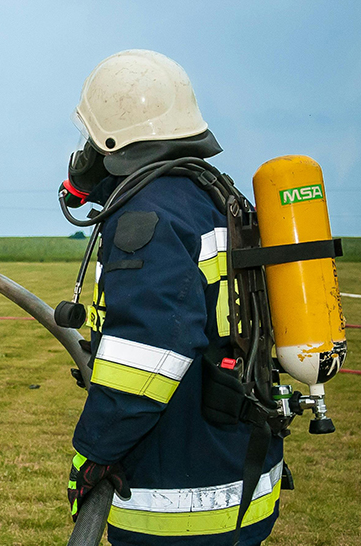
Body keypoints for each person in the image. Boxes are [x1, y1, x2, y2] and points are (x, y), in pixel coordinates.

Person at [62, 50, 284, 545]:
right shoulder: (214, 197)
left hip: (181, 496)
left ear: (113, 138)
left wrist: (93, 452)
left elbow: (146, 355)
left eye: (91, 139)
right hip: (243, 478)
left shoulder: (146, 217)